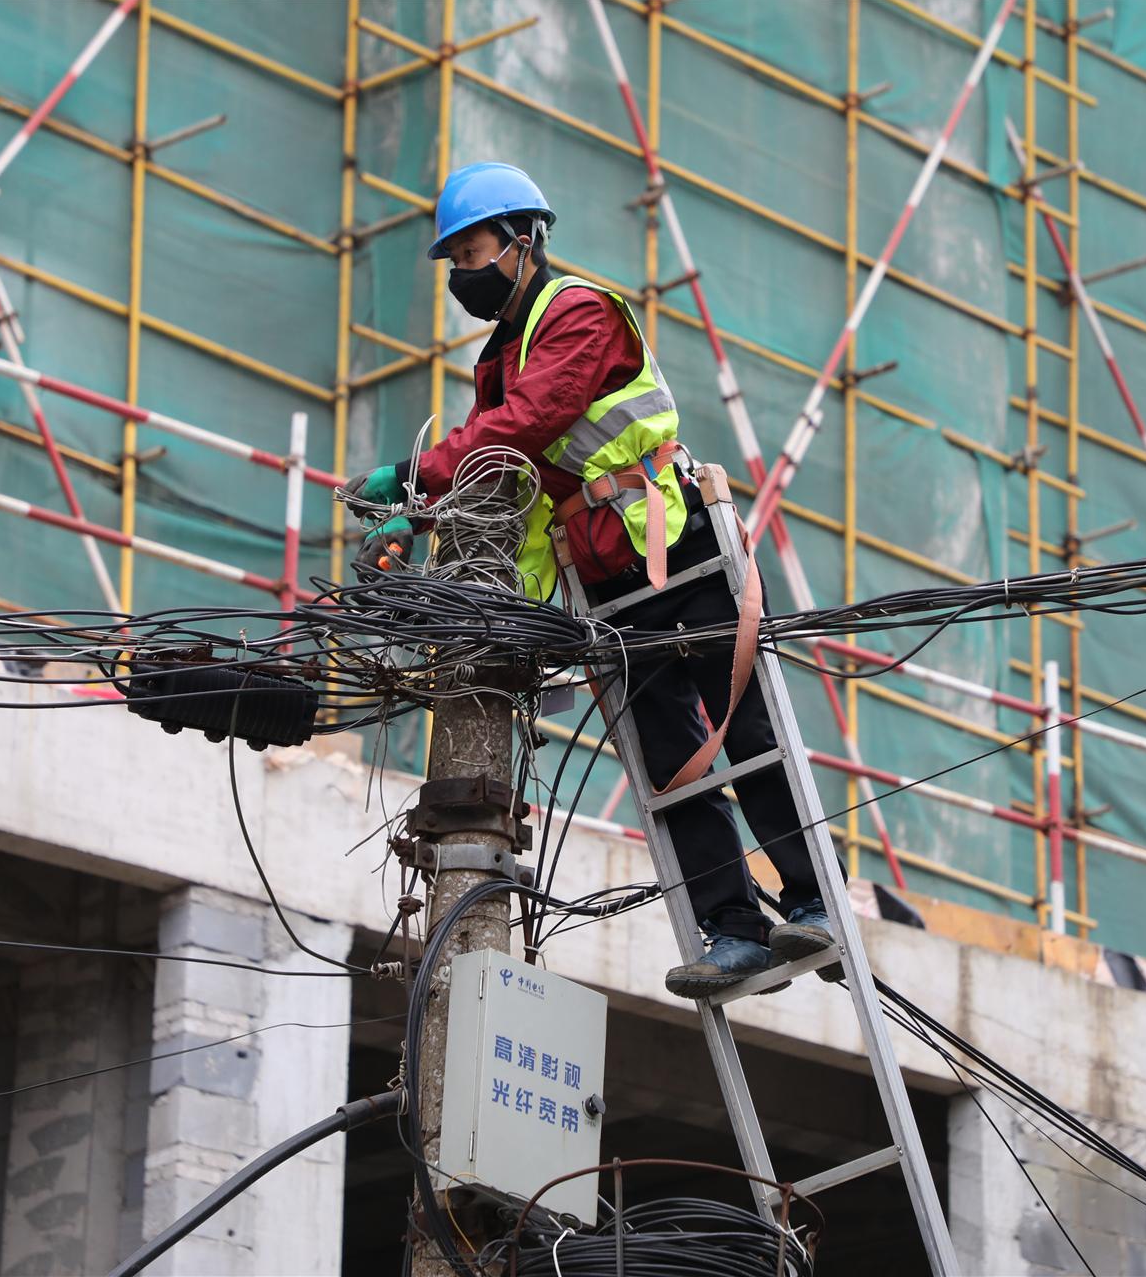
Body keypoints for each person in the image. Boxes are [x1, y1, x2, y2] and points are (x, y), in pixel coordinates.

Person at [343, 162, 833, 999]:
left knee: (743, 733)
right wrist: (424, 523)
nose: (466, 271)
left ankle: (814, 901)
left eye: (476, 249)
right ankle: (734, 929)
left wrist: (416, 474)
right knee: (670, 763)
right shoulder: (500, 361)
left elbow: (527, 426)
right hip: (606, 577)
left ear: (526, 239)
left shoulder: (579, 312)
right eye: (454, 259)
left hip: (676, 542)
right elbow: (504, 482)